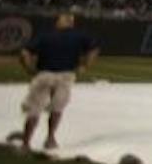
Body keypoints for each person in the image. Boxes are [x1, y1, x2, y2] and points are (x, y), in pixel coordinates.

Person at [10, 13, 99, 152]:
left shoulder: (46, 35)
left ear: (59, 22)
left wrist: (29, 69)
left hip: (45, 74)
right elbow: (94, 49)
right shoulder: (79, 35)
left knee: (34, 110)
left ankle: (26, 143)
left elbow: (25, 53)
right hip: (66, 75)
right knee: (57, 109)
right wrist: (85, 65)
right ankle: (50, 139)